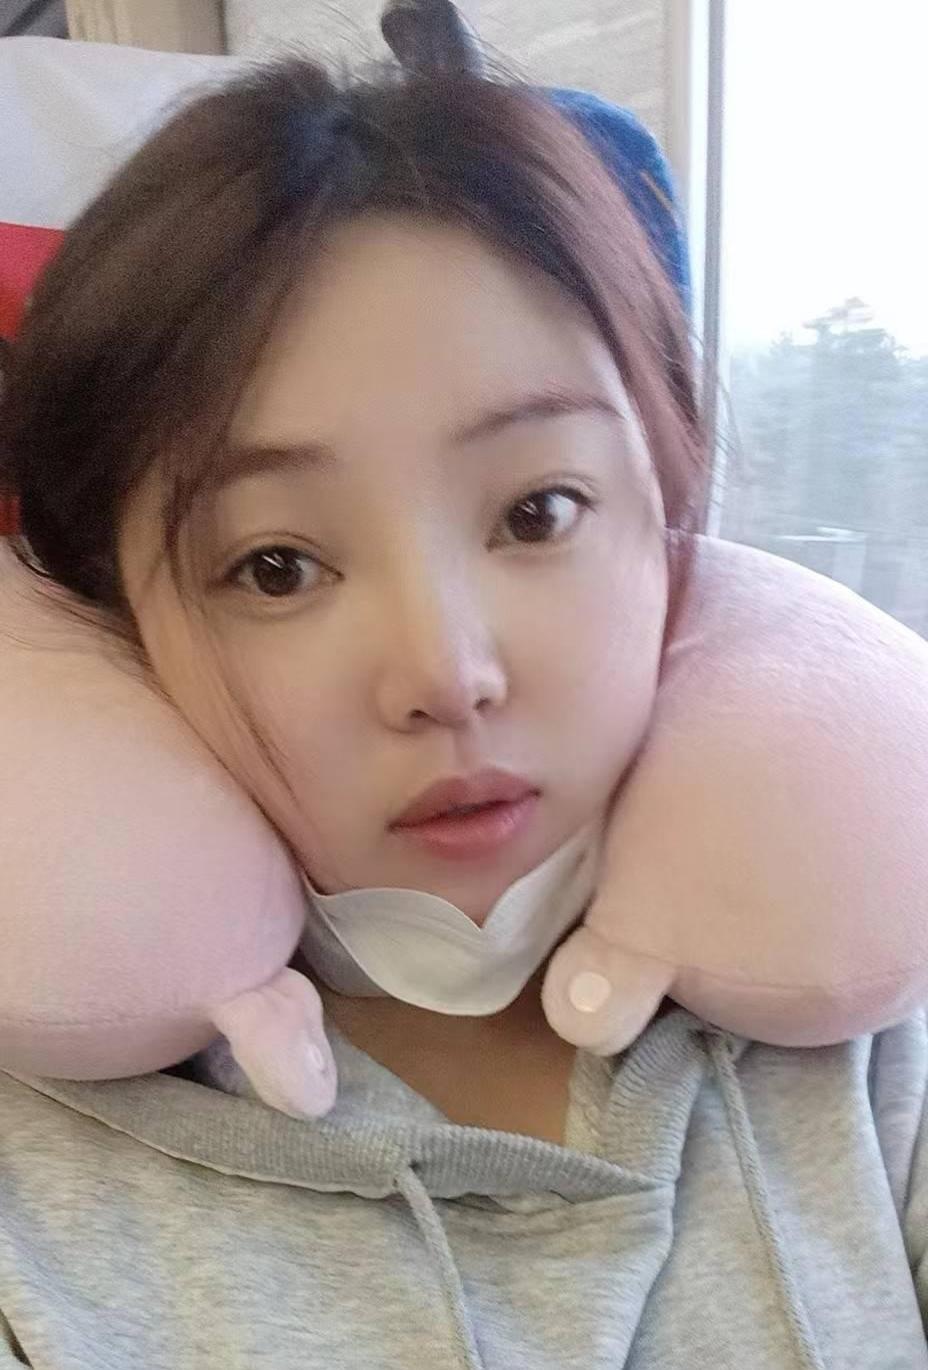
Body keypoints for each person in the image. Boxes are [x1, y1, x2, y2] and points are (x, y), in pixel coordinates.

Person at [1, 49, 927, 1370]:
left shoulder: (873, 1032)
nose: (447, 673)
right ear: (114, 617)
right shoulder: (36, 1186)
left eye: (538, 511)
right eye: (278, 566)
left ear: (670, 512)